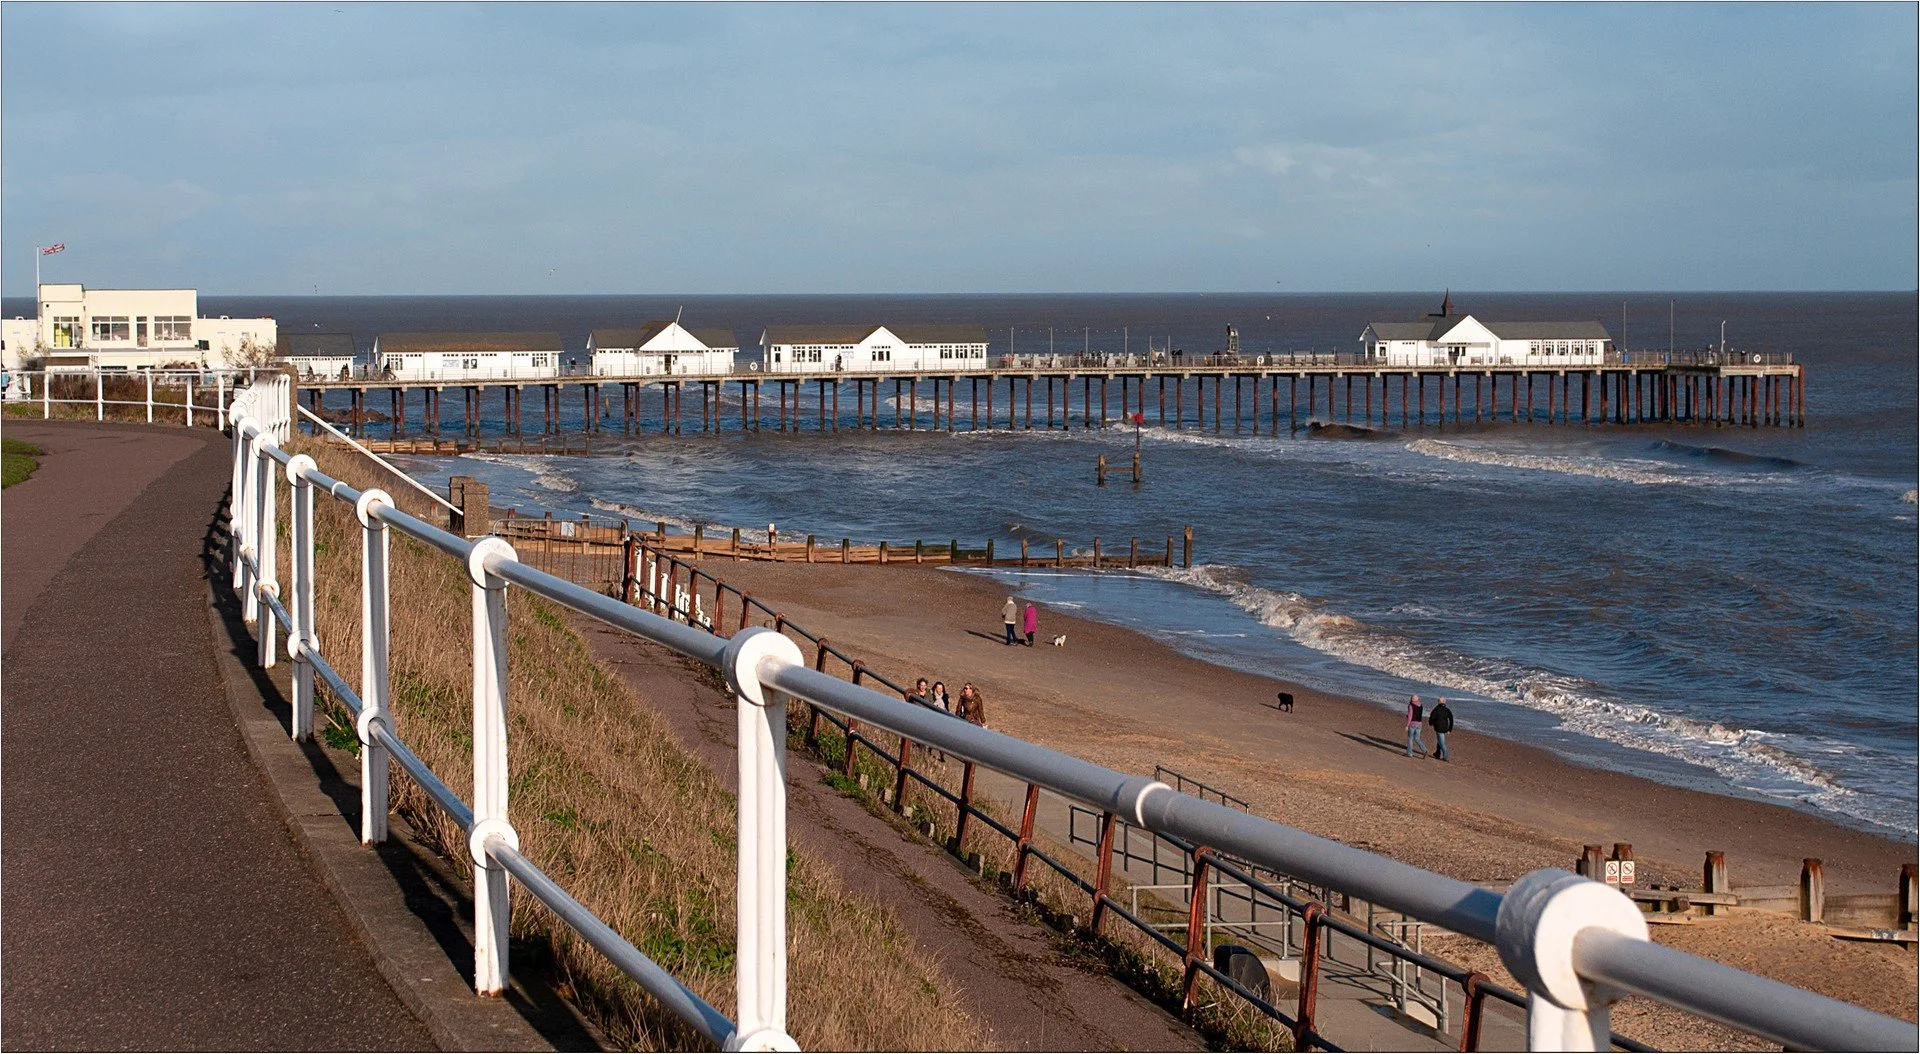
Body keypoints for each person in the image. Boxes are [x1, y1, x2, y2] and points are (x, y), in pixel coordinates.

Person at [1429, 697, 1454, 761]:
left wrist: (1430, 723)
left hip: (1439, 728)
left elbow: (1432, 718)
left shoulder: (1436, 709)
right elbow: (1451, 719)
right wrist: (1449, 729)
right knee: (1439, 741)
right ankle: (1437, 753)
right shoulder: (1447, 710)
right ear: (1444, 702)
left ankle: (1446, 757)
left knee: (1441, 743)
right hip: (1445, 728)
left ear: (1439, 702)